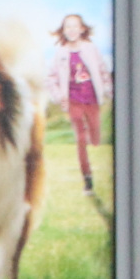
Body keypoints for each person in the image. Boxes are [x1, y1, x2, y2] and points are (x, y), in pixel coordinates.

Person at [46, 14, 110, 193]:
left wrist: (106, 90)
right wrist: (60, 96)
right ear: (63, 31)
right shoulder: (61, 54)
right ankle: (87, 179)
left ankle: (96, 151)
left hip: (92, 100)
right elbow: (50, 78)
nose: (72, 30)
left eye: (75, 26)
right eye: (68, 27)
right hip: (74, 101)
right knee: (80, 139)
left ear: (82, 29)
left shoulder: (91, 49)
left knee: (95, 137)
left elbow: (103, 71)